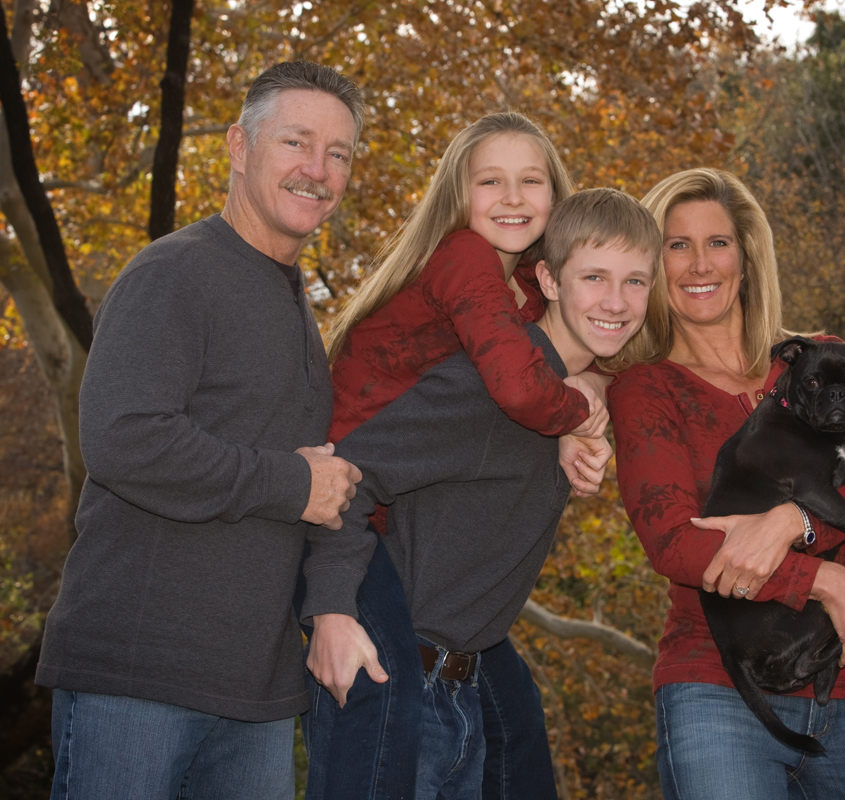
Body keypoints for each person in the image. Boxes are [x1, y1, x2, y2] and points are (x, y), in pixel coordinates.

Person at [35, 61, 364, 800]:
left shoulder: (296, 306)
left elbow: (328, 482)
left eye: (337, 153)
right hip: (138, 674)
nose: (317, 170)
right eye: (296, 142)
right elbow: (123, 439)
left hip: (255, 692)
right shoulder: (174, 272)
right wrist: (290, 483)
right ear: (239, 147)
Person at [300, 188, 667, 798]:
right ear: (548, 280)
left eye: (635, 282)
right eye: (594, 277)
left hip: (462, 692)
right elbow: (348, 477)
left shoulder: (565, 397)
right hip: (392, 682)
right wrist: (331, 610)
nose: (616, 301)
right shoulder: (488, 389)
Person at [608, 168, 845, 798]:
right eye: (677, 245)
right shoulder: (646, 388)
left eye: (718, 242)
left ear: (747, 257)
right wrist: (823, 579)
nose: (700, 264)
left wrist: (791, 522)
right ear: (652, 263)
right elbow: (677, 543)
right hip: (718, 691)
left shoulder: (824, 359)